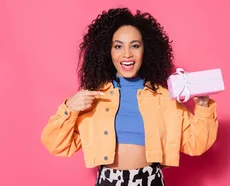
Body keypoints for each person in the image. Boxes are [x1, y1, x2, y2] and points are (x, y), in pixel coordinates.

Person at [40, 7, 219, 185]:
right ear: (107, 52)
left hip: (150, 180)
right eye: (118, 46)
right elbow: (56, 145)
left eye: (135, 45)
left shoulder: (163, 98)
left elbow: (196, 144)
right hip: (108, 180)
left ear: (145, 50)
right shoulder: (95, 98)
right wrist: (69, 108)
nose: (127, 54)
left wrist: (203, 107)